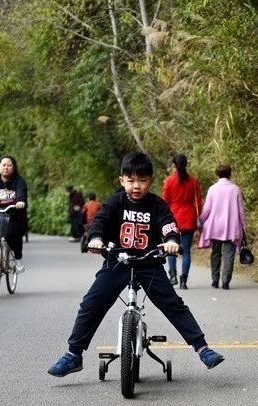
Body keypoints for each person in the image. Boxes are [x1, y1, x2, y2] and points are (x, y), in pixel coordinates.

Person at [47, 152, 224, 377]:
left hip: (148, 263)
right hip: (118, 261)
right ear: (122, 181)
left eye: (142, 180)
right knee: (92, 303)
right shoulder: (116, 201)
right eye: (130, 181)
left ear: (150, 181)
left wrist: (171, 241)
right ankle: (73, 355)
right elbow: (100, 221)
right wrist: (96, 238)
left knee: (173, 304)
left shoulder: (157, 205)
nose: (136, 186)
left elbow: (168, 225)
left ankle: (202, 349)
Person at [197, 163, 245, 290]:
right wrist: (243, 227)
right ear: (230, 173)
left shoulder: (213, 189)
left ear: (217, 174)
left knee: (216, 253)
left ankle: (215, 279)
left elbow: (207, 209)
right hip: (231, 226)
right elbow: (241, 211)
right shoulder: (236, 189)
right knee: (229, 254)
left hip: (215, 227)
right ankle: (225, 282)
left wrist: (200, 221)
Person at [161, 153, 202, 289]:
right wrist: (198, 216)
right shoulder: (194, 181)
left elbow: (164, 201)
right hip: (189, 218)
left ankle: (172, 275)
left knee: (171, 247)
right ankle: (184, 280)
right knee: (186, 251)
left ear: (173, 165)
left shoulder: (168, 181)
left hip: (173, 218)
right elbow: (198, 203)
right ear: (186, 164)